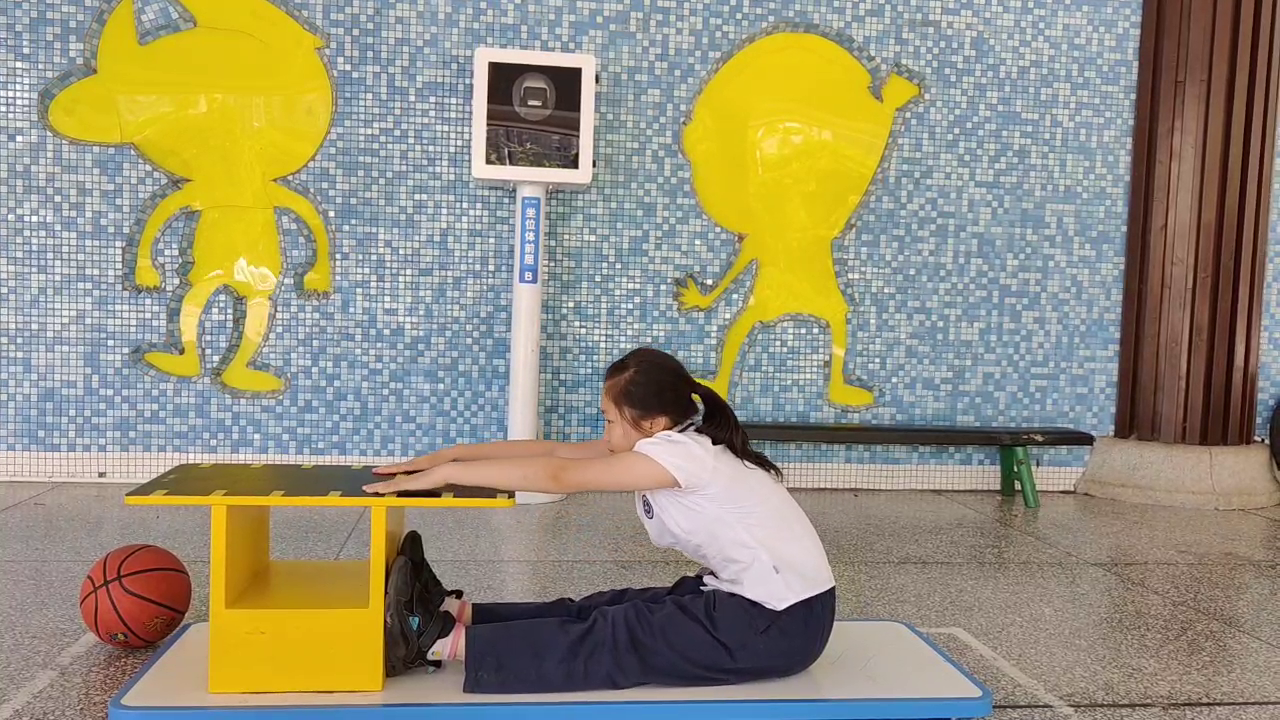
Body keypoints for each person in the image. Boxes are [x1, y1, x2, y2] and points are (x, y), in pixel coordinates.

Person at [363, 346, 836, 694]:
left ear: (652, 423)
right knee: (602, 607)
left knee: (619, 635)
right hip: (760, 605)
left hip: (780, 624)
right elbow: (552, 452)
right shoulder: (672, 442)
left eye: (610, 420)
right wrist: (447, 456)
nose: (605, 432)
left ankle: (437, 640)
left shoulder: (681, 455)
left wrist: (445, 475)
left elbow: (559, 475)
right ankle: (455, 614)